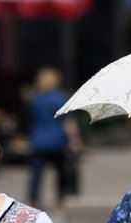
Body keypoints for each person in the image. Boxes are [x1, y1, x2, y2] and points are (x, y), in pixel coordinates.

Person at [26, 67, 82, 209]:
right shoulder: (59, 97)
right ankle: (60, 199)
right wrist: (75, 138)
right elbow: (67, 121)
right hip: (56, 140)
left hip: (38, 139)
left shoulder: (36, 99)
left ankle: (34, 199)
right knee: (60, 171)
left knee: (36, 172)